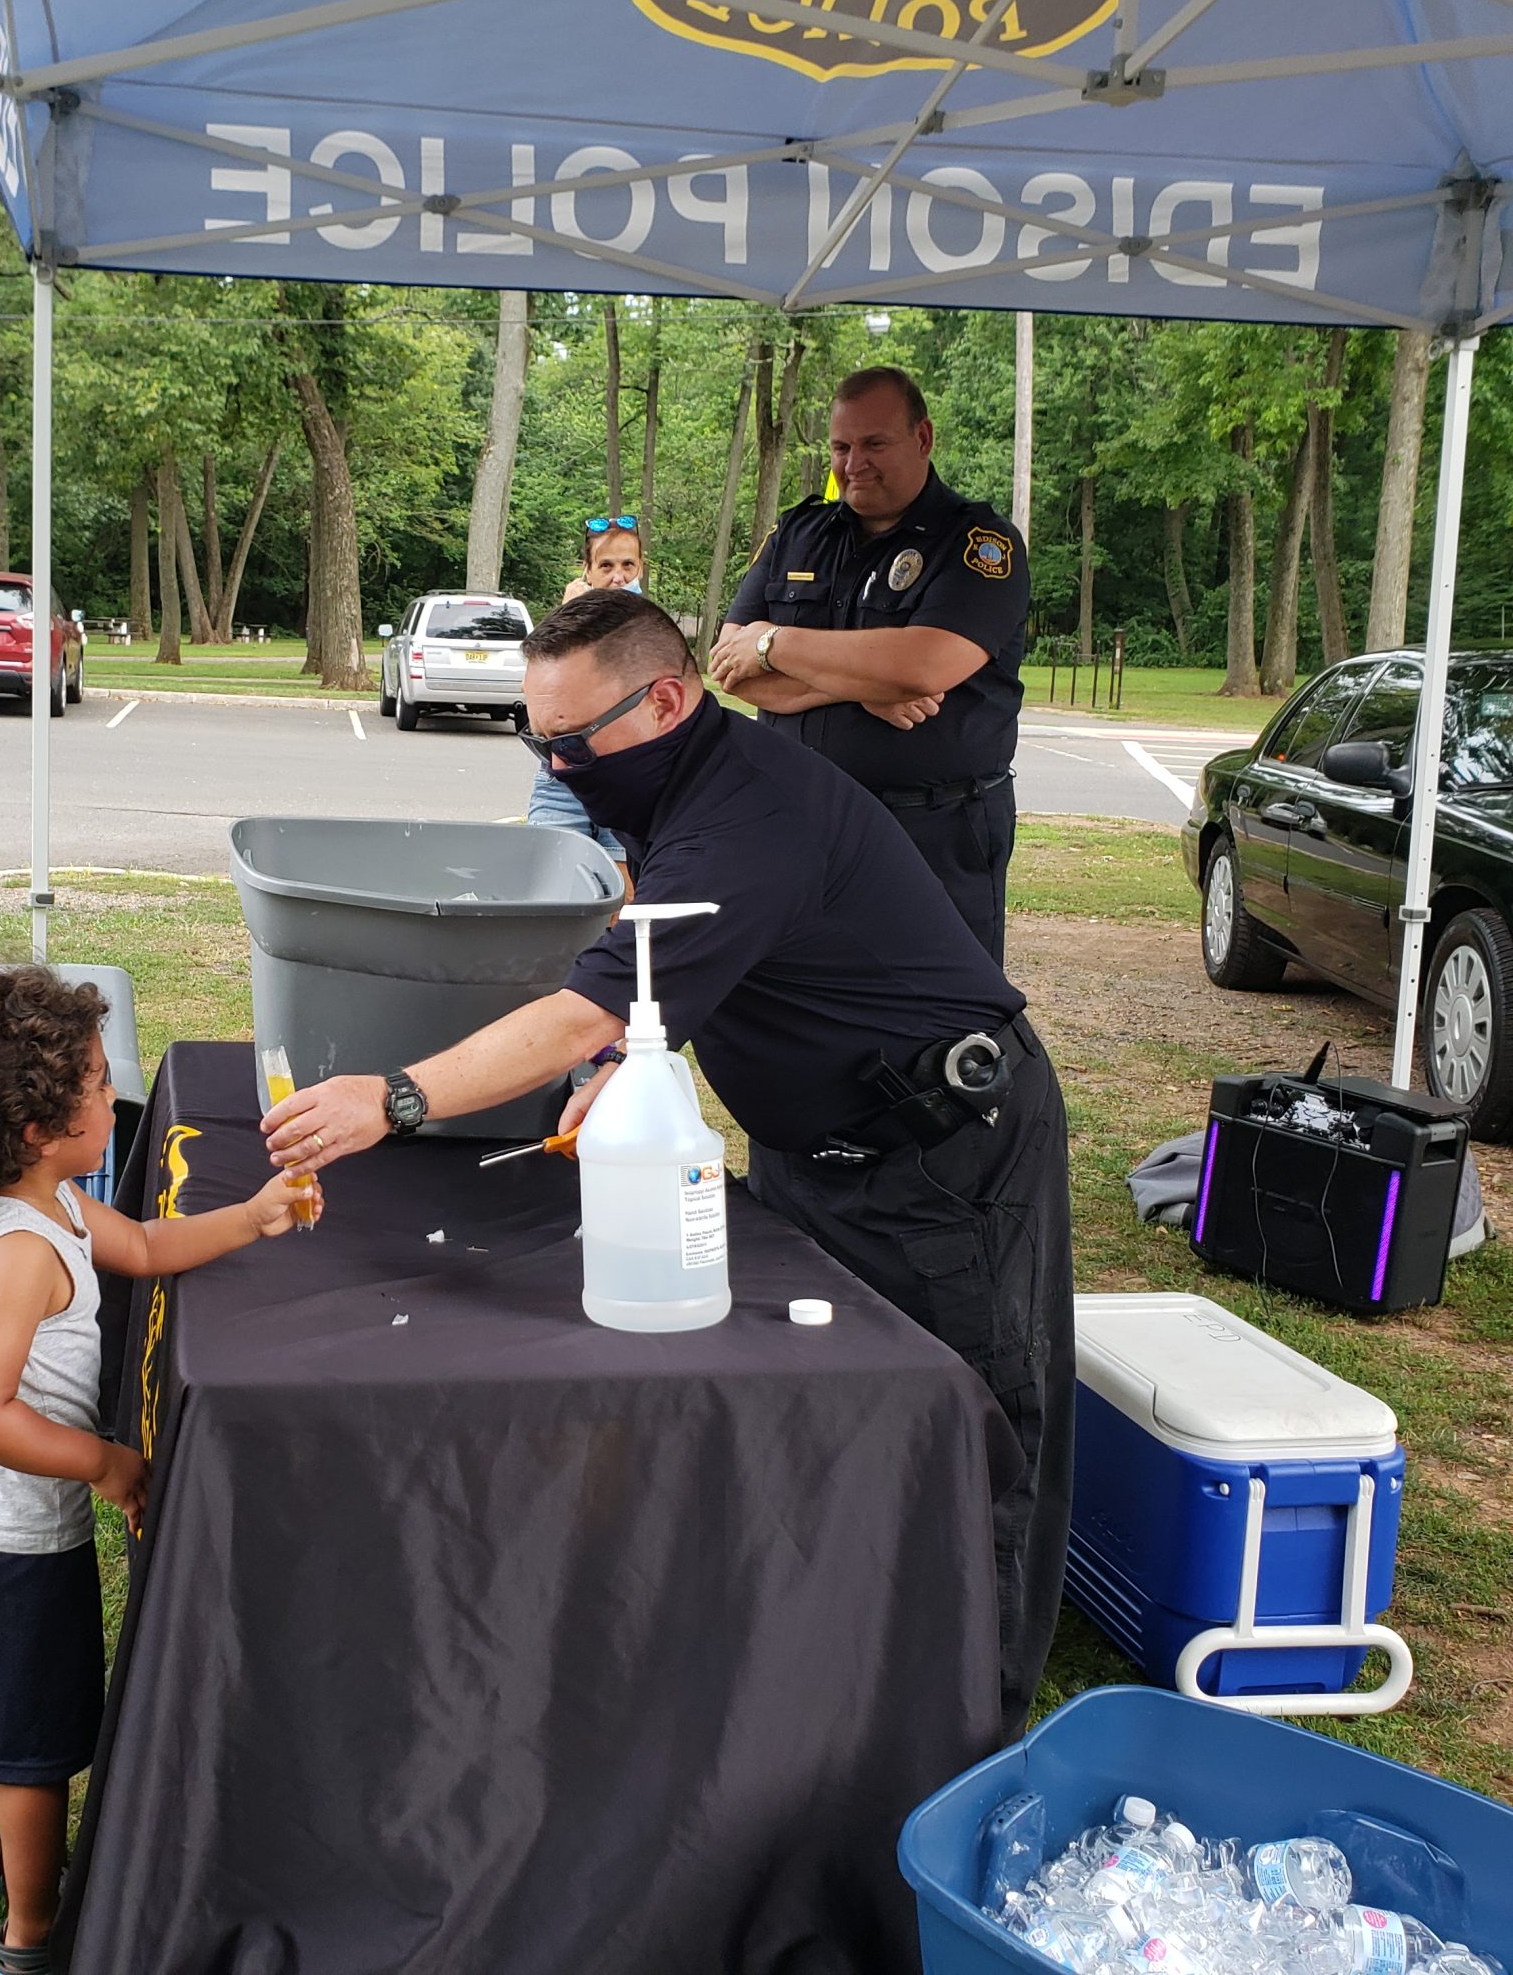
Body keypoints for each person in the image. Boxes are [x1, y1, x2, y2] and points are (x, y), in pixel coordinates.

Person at [261, 590, 1072, 1736]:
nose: (554, 761)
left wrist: (396, 1095)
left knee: (972, 1427)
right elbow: (677, 961)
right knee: (835, 1412)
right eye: (531, 737)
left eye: (570, 740)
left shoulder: (747, 815)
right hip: (813, 1146)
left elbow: (574, 1011)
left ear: (666, 698)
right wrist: (647, 1050)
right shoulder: (671, 776)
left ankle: (973, 1716)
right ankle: (844, 1644)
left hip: (942, 1150)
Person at [0, 966, 317, 1972]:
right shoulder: (30, 1247)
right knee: (29, 1748)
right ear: (36, 1125)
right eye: (88, 1078)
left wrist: (254, 1215)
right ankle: (33, 1928)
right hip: (11, 1538)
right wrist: (107, 1461)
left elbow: (151, 1242)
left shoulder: (33, 1203)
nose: (106, 1089)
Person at [709, 367, 1029, 966]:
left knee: (939, 1014)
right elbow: (730, 663)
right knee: (808, 1005)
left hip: (933, 832)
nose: (854, 463)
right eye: (841, 446)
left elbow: (925, 665)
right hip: (800, 822)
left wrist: (772, 642)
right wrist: (865, 687)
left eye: (875, 444)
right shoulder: (799, 533)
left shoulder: (979, 544)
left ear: (923, 437)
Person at [524, 516, 648, 879]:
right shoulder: (565, 622)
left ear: (641, 567)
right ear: (587, 572)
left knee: (620, 900)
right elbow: (533, 694)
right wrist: (566, 617)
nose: (618, 577)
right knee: (554, 887)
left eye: (628, 565)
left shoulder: (647, 627)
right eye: (606, 566)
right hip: (561, 777)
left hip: (624, 778)